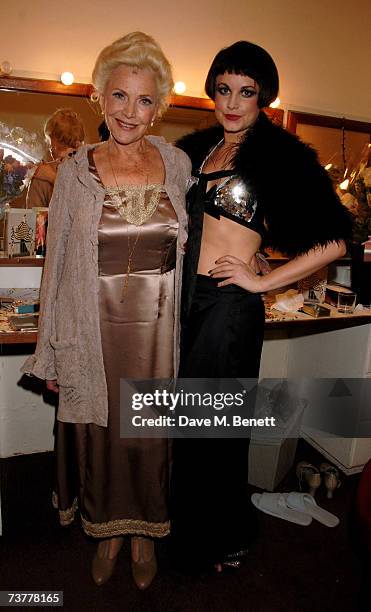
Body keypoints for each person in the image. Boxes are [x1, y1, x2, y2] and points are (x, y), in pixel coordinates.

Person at [171, 41, 352, 574]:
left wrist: (259, 282)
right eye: (224, 90)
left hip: (229, 308)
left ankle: (217, 539)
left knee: (212, 431)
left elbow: (336, 241)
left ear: (263, 97)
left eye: (245, 92)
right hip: (187, 301)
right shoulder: (201, 149)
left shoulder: (278, 154)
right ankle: (189, 525)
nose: (232, 102)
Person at [22, 31, 190, 590]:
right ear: (99, 96)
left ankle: (145, 536)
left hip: (157, 332)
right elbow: (56, 268)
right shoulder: (74, 172)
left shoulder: (177, 165)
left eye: (144, 100)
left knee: (147, 436)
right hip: (94, 329)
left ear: (158, 107)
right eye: (119, 96)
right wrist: (51, 351)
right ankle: (107, 532)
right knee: (104, 435)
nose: (130, 112)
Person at [26, 108, 85, 208]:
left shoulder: (42, 174)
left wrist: (52, 177)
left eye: (49, 141)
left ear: (54, 140)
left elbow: (31, 218)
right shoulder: (93, 168)